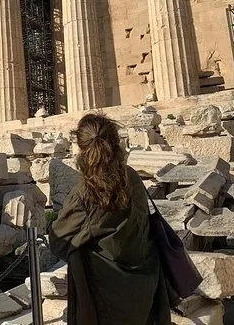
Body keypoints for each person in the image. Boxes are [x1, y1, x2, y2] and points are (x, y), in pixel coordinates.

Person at [49, 113, 171, 325]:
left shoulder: (83, 196)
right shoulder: (132, 176)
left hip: (105, 300)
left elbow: (58, 242)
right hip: (145, 289)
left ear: (81, 149)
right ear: (117, 143)